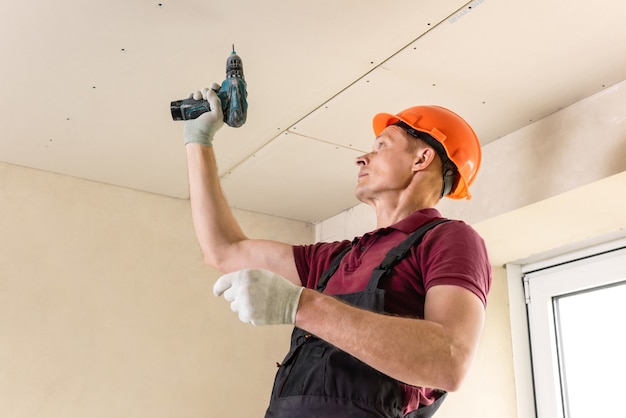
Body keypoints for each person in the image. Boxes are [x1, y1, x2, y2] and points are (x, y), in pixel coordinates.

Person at [183, 86, 492, 418]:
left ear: (422, 158)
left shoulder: (448, 238)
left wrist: (301, 304)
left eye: (381, 145)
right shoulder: (334, 260)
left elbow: (450, 360)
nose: (361, 157)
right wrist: (198, 142)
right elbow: (224, 251)